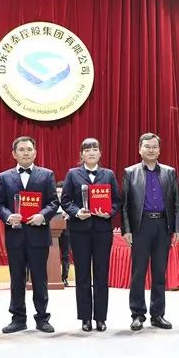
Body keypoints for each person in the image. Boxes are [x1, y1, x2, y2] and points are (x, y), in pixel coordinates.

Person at [0, 136, 58, 333]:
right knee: (16, 279)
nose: (26, 153)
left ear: (35, 153)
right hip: (15, 236)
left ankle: (42, 318)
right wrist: (8, 216)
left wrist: (42, 216)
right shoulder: (5, 177)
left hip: (38, 235)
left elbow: (53, 202)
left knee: (40, 279)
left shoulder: (46, 175)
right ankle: (18, 318)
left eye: (29, 149)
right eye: (21, 150)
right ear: (14, 154)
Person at [121, 133, 179, 331]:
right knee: (138, 273)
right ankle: (137, 314)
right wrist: (127, 229)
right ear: (140, 149)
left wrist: (177, 229)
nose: (151, 150)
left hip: (163, 226)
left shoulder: (169, 172)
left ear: (159, 150)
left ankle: (158, 315)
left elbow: (177, 203)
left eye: (155, 146)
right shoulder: (130, 173)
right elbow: (125, 205)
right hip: (141, 226)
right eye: (147, 146)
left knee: (159, 273)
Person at [60, 138, 121, 332]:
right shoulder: (73, 174)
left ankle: (101, 318)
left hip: (102, 231)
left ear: (100, 153)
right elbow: (65, 200)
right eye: (87, 150)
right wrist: (77, 212)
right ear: (81, 154)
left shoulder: (108, 174)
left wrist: (109, 212)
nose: (91, 152)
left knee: (101, 274)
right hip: (79, 231)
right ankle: (85, 318)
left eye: (95, 149)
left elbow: (117, 201)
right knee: (83, 274)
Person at [55, 181, 71, 287]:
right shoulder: (52, 204)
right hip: (52, 233)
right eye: (57, 192)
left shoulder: (68, 204)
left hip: (66, 232)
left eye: (61, 193)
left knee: (65, 255)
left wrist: (68, 215)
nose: (59, 195)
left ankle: (64, 277)